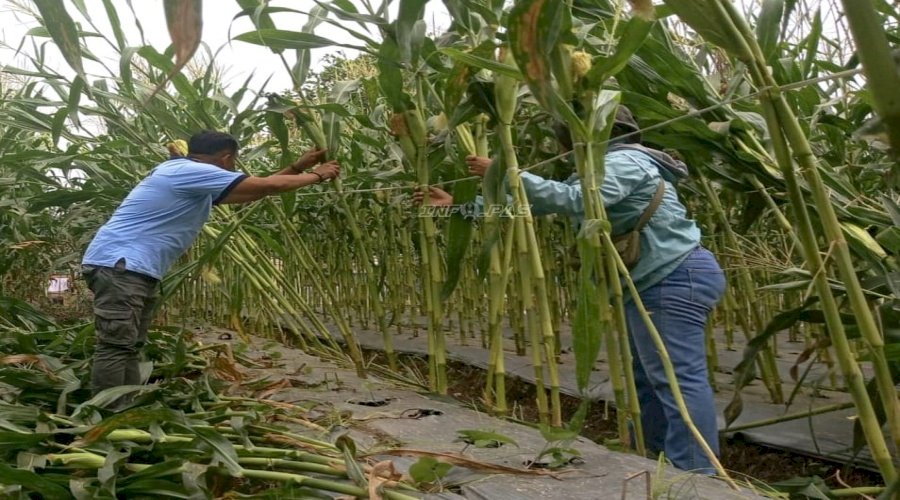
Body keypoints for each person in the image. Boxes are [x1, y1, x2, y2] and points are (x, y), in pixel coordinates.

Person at [415, 107, 726, 474]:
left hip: (673, 278)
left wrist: (508, 173)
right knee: (651, 381)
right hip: (654, 282)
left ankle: (696, 476)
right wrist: (458, 208)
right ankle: (658, 459)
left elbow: (577, 201)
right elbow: (531, 208)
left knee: (677, 381)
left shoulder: (627, 160)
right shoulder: (604, 169)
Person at [81, 130, 340, 399]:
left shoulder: (188, 175)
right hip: (121, 266)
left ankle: (125, 404)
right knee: (116, 345)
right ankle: (106, 412)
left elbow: (254, 191)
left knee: (130, 345)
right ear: (226, 158)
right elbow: (266, 186)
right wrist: (319, 174)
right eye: (235, 163)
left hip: (131, 268)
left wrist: (299, 167)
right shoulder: (186, 172)